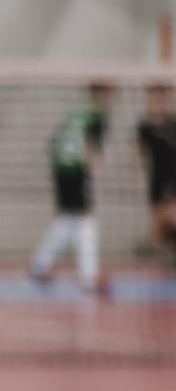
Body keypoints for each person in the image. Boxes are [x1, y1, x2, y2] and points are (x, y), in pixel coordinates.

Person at [29, 82, 115, 296]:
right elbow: (91, 145)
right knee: (86, 220)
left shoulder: (78, 113)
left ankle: (39, 264)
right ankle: (88, 278)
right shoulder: (97, 115)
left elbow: (54, 142)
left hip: (61, 168)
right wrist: (92, 161)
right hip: (75, 169)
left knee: (68, 220)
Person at [135, 84, 176, 265]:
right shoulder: (145, 126)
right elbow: (138, 151)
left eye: (160, 99)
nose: (156, 103)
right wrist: (133, 174)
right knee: (158, 231)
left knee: (172, 215)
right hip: (156, 180)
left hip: (173, 178)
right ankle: (165, 259)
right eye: (152, 99)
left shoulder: (173, 124)